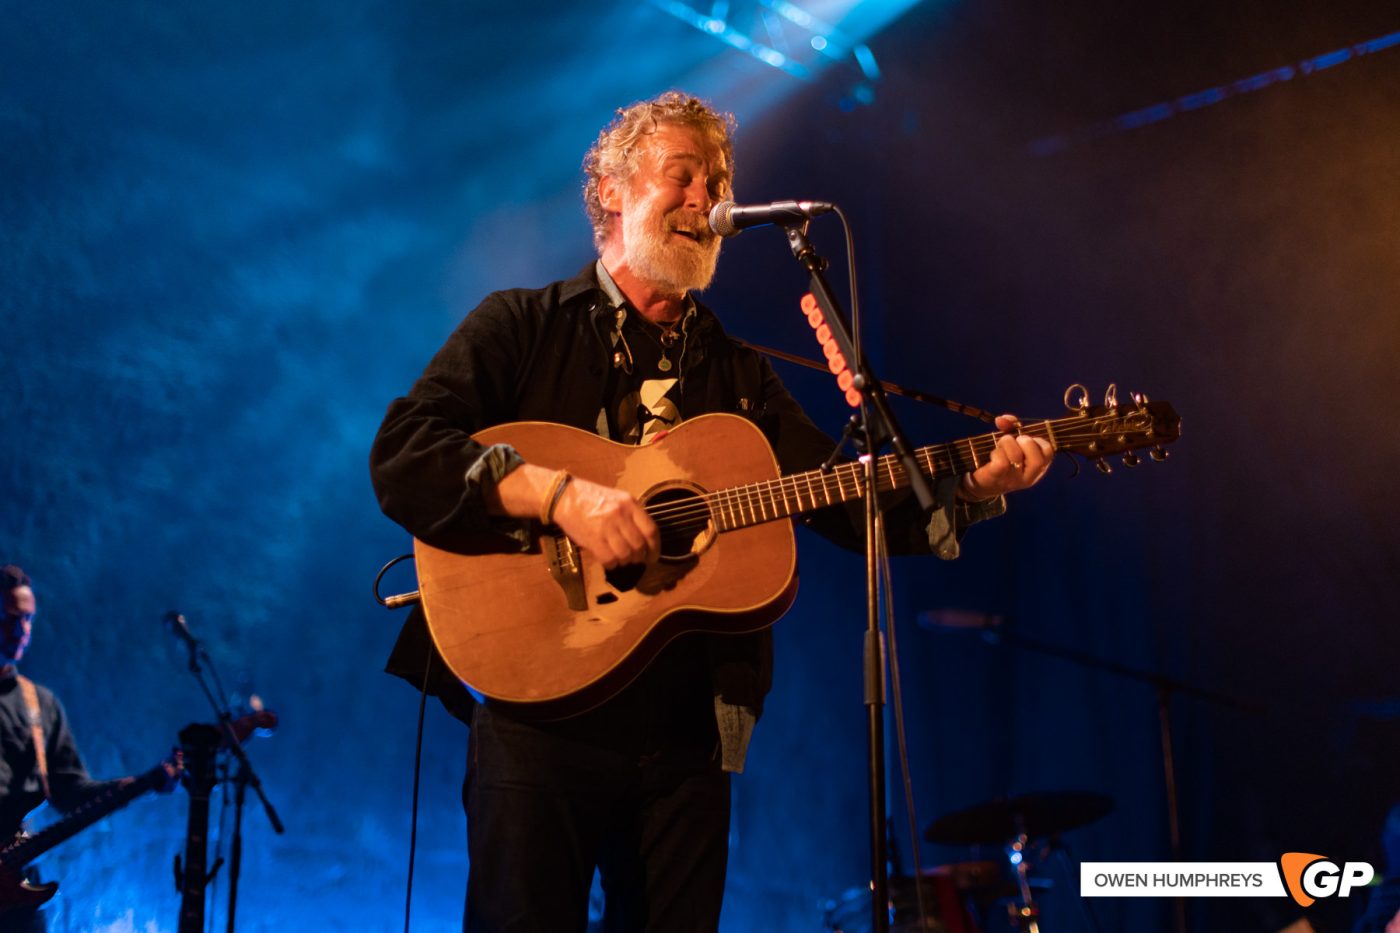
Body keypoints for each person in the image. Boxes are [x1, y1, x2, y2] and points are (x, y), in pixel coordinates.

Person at [370, 90, 1052, 932]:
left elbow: (847, 503)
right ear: (614, 193)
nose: (707, 200)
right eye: (682, 177)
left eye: (719, 181)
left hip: (687, 736)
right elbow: (404, 452)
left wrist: (975, 487)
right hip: (537, 718)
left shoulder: (735, 373)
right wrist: (558, 494)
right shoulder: (523, 325)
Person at [0, 565, 175, 932]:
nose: (21, 630)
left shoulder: (39, 706)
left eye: (28, 619)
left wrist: (136, 784)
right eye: (10, 618)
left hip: (13, 890)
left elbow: (70, 792)